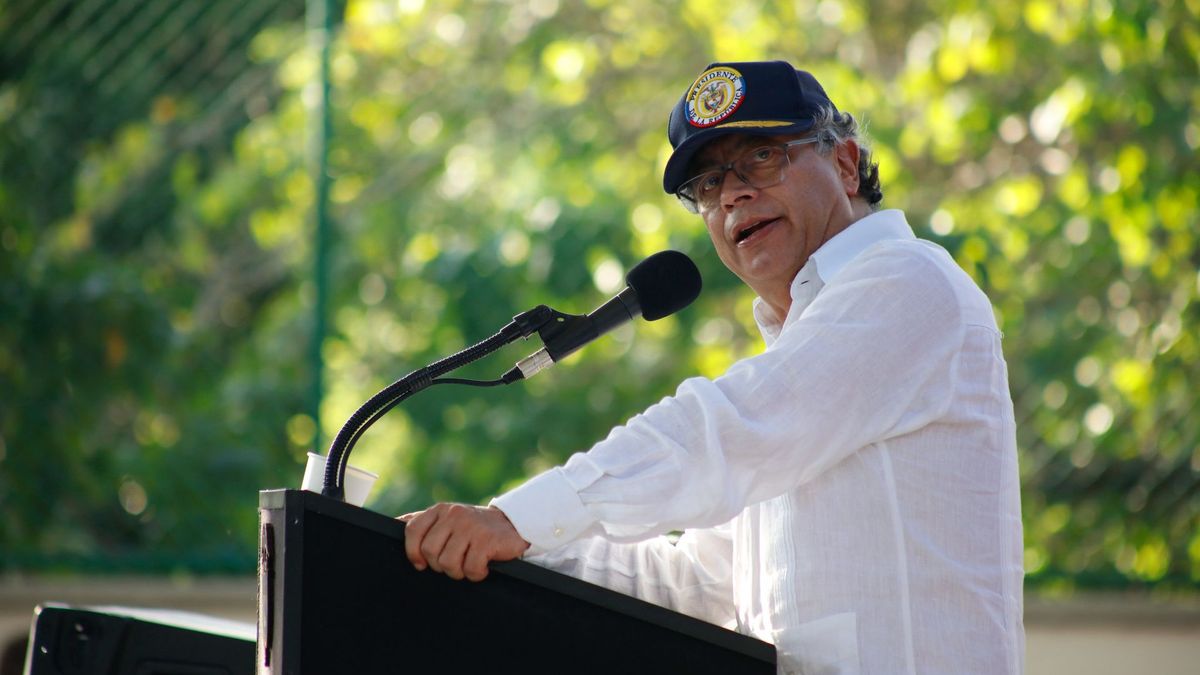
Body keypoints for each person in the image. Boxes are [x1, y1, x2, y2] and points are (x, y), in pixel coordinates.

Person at [401, 60, 1025, 674]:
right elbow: (693, 582)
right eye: (707, 184)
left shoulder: (910, 281)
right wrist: (498, 548)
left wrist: (517, 520)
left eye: (762, 157)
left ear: (844, 163)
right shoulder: (795, 372)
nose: (732, 194)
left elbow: (729, 428)